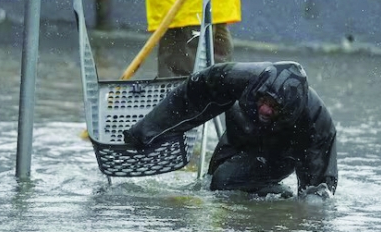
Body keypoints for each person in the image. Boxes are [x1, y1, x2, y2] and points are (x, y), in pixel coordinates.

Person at [122, 61, 338, 198]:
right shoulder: (242, 77)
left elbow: (318, 192)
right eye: (263, 99)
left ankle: (278, 195)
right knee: (209, 185)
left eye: (273, 106)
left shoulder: (317, 121)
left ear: (290, 109)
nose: (264, 108)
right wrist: (145, 132)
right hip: (239, 135)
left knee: (223, 182)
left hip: (278, 154)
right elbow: (189, 98)